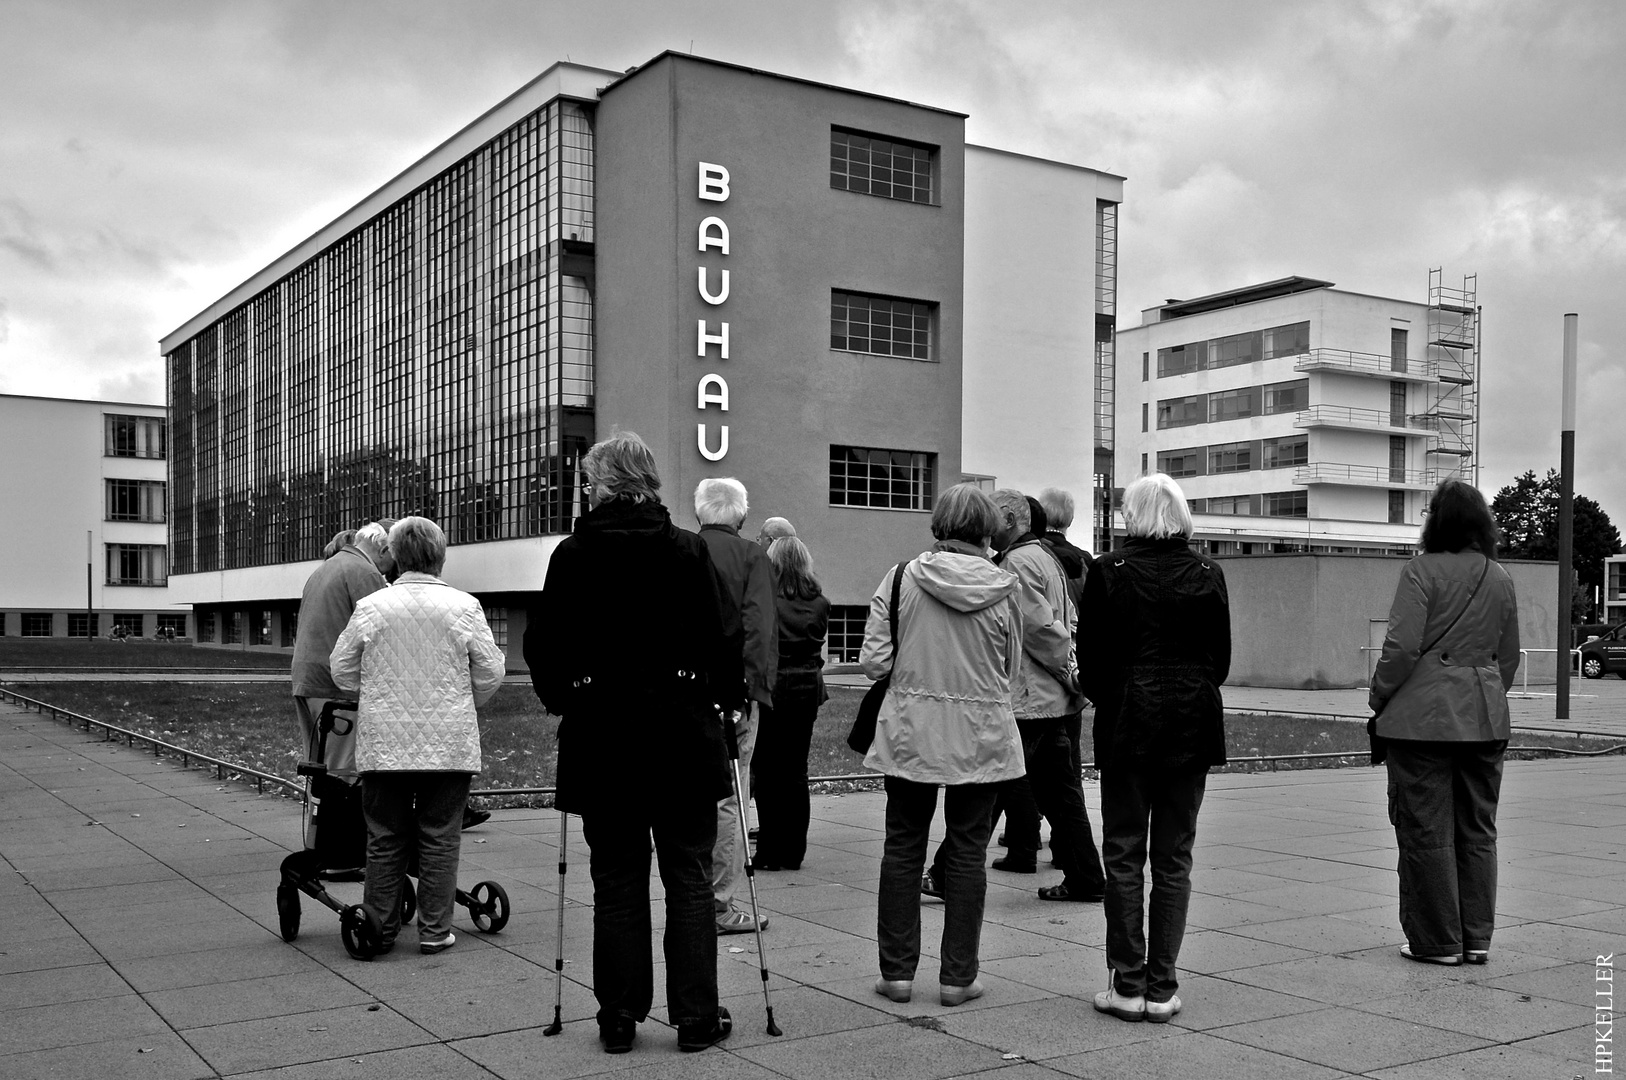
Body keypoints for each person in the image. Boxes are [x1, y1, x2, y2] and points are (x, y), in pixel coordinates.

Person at [524, 432, 739, 1055]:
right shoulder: (687, 552)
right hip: (681, 736)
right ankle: (696, 1015)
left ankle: (618, 1014)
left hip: (604, 736)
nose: (586, 490)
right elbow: (722, 639)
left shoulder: (575, 555)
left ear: (606, 485)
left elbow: (544, 644)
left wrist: (570, 696)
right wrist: (720, 701)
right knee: (690, 876)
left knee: (616, 879)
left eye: (591, 481)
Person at [863, 483, 1069, 1008]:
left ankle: (896, 973)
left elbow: (875, 662)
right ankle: (958, 976)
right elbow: (1027, 656)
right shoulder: (1008, 586)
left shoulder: (902, 577)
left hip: (911, 727)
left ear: (939, 527)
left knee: (903, 847)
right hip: (983, 733)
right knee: (968, 851)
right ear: (987, 531)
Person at [1080, 473, 1230, 1024]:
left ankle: (1128, 981)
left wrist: (1116, 691)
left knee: (1123, 851)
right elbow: (1221, 660)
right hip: (1191, 717)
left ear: (1132, 515)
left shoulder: (1107, 571)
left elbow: (1092, 662)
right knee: (1174, 857)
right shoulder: (1209, 572)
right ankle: (1162, 986)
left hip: (1127, 718)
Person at [329, 517, 506, 956]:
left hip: (384, 742)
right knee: (441, 834)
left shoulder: (372, 606)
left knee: (384, 835)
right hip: (448, 742)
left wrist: (373, 691)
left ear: (396, 557)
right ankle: (433, 930)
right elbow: (491, 671)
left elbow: (341, 669)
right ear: (440, 556)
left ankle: (380, 928)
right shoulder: (464, 607)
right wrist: (467, 700)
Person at [1369, 478, 1519, 967]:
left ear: (1436, 521)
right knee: (1479, 831)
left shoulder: (1420, 571)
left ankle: (1437, 942)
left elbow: (1401, 647)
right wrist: (1488, 692)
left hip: (1422, 720)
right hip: (1485, 717)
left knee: (1425, 830)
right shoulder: (1499, 576)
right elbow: (1508, 658)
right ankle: (1477, 938)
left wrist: (1379, 696)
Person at [983, 489, 1105, 903]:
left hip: (1032, 698)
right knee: (1062, 796)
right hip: (1049, 699)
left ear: (1011, 520)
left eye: (991, 518)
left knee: (993, 787)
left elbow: (1039, 629)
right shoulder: (1044, 557)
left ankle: (946, 871)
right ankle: (1087, 878)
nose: (986, 527)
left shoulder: (1017, 562)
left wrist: (1070, 670)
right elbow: (1068, 619)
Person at [693, 477, 778, 934]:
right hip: (735, 694)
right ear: (742, 516)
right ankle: (719, 901)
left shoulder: (685, 550)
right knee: (729, 798)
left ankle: (693, 895)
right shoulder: (750, 556)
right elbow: (759, 628)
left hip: (687, 691)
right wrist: (752, 691)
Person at [291, 522, 390, 787]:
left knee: (318, 764)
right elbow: (381, 634)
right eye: (393, 556)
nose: (393, 565)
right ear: (383, 549)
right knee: (342, 770)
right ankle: (337, 826)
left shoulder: (327, 567)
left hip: (307, 676)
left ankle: (318, 823)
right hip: (335, 683)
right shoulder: (365, 572)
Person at [751, 536, 829, 871]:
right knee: (796, 771)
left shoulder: (769, 601)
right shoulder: (820, 602)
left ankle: (769, 850)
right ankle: (794, 848)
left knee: (767, 771)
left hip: (774, 686)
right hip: (807, 686)